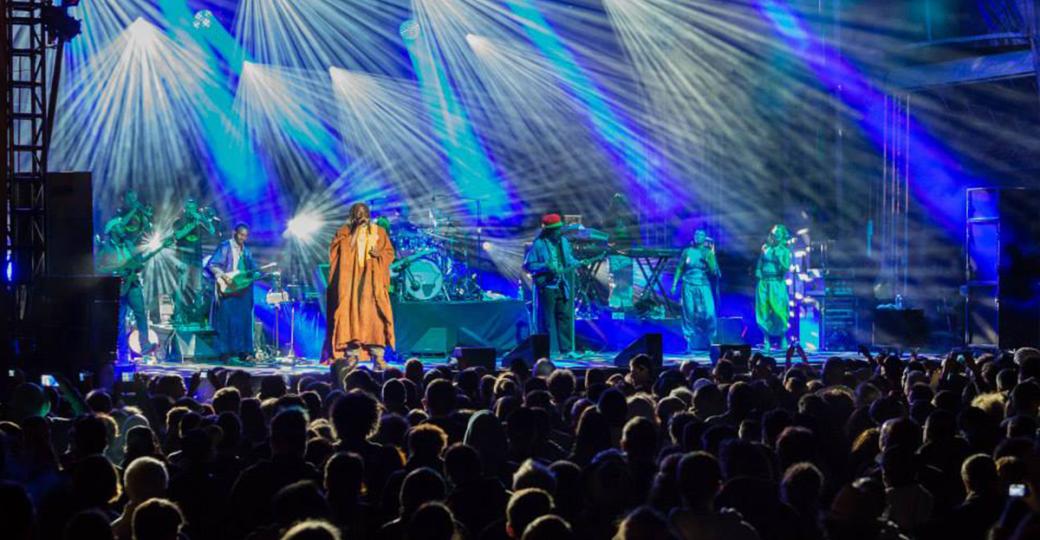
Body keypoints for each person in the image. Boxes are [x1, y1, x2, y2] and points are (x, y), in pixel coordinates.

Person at [324, 202, 396, 369]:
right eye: (357, 212)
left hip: (372, 282)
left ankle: (377, 356)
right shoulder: (344, 232)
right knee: (350, 317)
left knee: (375, 318)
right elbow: (337, 252)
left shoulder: (379, 231)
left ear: (369, 213)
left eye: (364, 212)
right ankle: (352, 355)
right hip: (351, 283)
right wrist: (355, 231)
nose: (361, 215)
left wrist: (379, 254)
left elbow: (389, 253)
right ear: (352, 214)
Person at [523, 213, 580, 355]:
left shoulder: (564, 242)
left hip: (562, 284)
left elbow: (569, 260)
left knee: (564, 317)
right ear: (549, 231)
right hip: (547, 286)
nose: (560, 232)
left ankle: (566, 350)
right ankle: (544, 352)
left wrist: (578, 263)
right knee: (547, 320)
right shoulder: (539, 244)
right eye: (557, 230)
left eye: (560, 229)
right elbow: (528, 265)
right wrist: (545, 266)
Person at [207, 223, 258, 363]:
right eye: (241, 235)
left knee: (243, 321)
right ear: (234, 233)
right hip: (228, 290)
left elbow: (253, 269)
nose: (243, 238)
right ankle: (225, 353)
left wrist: (257, 273)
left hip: (242, 290)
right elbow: (213, 265)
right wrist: (224, 277)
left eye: (245, 236)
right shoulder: (225, 247)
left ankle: (244, 351)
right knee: (226, 322)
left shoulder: (246, 251)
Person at [671, 229, 720, 352]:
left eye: (701, 235)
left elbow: (714, 271)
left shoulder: (708, 252)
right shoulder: (687, 251)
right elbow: (679, 268)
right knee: (689, 313)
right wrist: (674, 284)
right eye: (696, 234)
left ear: (705, 238)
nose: (698, 237)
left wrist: (709, 261)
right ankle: (688, 342)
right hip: (688, 284)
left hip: (703, 284)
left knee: (709, 312)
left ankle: (711, 340)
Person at [172, 199, 218, 325]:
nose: (191, 210)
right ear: (185, 209)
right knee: (181, 287)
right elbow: (178, 235)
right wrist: (192, 224)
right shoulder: (179, 221)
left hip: (197, 257)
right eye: (189, 208)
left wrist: (202, 218)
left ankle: (198, 316)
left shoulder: (199, 221)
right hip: (183, 257)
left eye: (194, 208)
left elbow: (212, 231)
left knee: (198, 288)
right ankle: (177, 315)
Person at [755, 224, 792, 350]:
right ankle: (766, 339)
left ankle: (782, 337)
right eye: (773, 233)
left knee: (779, 312)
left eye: (777, 233)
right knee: (763, 312)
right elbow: (760, 263)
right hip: (764, 283)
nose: (775, 235)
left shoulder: (785, 251)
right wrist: (758, 270)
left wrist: (778, 256)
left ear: (782, 235)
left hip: (777, 283)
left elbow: (785, 268)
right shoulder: (765, 248)